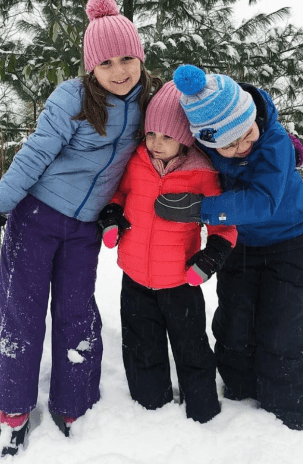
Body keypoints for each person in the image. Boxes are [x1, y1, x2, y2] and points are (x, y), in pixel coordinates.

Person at [0, 0, 162, 457]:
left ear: (140, 56)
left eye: (128, 58)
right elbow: (33, 155)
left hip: (85, 230)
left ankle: (72, 402)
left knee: (78, 312)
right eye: (107, 62)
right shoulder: (72, 98)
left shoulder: (150, 102)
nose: (120, 71)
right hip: (35, 218)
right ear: (91, 67)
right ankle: (13, 408)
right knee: (22, 310)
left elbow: (188, 126)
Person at [154, 65, 303, 431]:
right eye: (228, 145)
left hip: (291, 244)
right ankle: (239, 391)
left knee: (284, 327)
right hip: (240, 245)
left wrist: (201, 210)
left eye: (247, 134)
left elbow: (263, 202)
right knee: (235, 322)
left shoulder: (273, 141)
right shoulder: (204, 140)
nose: (243, 146)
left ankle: (286, 411)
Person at [97, 81, 238, 424]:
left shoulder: (202, 175)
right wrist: (112, 216)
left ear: (185, 138)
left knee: (191, 347)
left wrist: (210, 256)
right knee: (141, 345)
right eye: (151, 135)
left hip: (180, 281)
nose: (156, 144)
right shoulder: (135, 162)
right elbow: (119, 194)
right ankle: (150, 405)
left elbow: (223, 224)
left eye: (166, 136)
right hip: (134, 277)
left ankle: (203, 409)